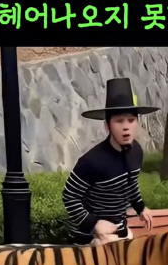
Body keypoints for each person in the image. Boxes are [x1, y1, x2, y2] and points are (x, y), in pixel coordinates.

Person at [62, 77, 160, 246]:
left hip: (120, 231)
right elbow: (69, 196)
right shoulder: (92, 161)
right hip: (89, 240)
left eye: (131, 120)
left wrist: (140, 208)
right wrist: (94, 225)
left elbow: (130, 184)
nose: (126, 127)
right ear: (107, 126)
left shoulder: (136, 151)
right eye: (119, 121)